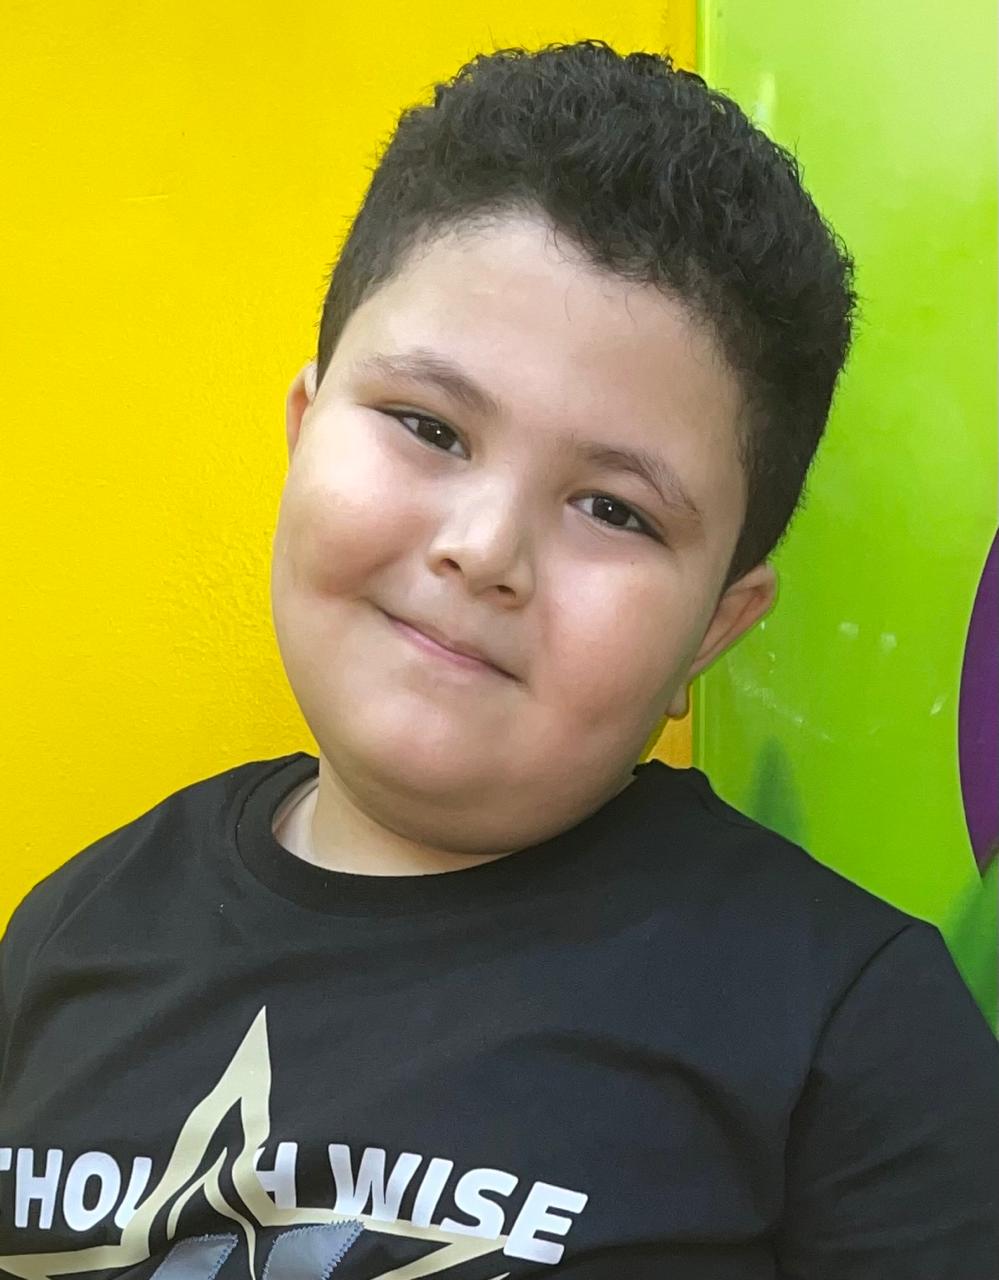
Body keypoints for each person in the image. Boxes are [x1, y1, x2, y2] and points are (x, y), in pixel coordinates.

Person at [1, 39, 995, 1280]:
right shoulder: (71, 930)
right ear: (305, 431)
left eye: (615, 509)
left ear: (716, 626)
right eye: (428, 426)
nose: (483, 549)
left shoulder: (849, 1028)